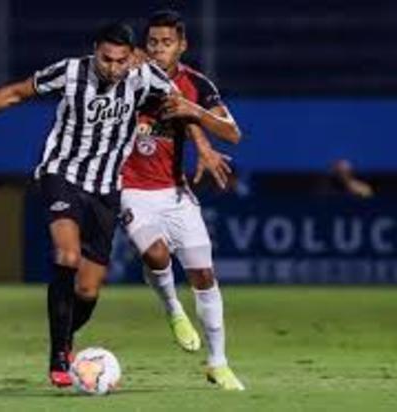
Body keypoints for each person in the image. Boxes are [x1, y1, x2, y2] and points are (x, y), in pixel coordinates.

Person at [0, 22, 225, 387]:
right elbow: (16, 93)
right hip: (62, 174)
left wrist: (203, 147)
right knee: (67, 255)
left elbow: (181, 108)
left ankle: (65, 340)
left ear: (131, 57)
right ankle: (59, 357)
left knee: (88, 290)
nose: (113, 68)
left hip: (106, 188)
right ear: (95, 50)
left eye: (120, 61)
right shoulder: (70, 72)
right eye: (106, 59)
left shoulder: (145, 77)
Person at [120, 10, 245, 390]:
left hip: (175, 192)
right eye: (152, 42)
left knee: (204, 275)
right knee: (156, 255)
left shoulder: (197, 84)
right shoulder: (128, 76)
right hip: (129, 187)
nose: (159, 49)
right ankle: (174, 309)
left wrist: (195, 112)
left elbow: (233, 133)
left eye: (167, 42)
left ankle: (218, 363)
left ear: (182, 45)